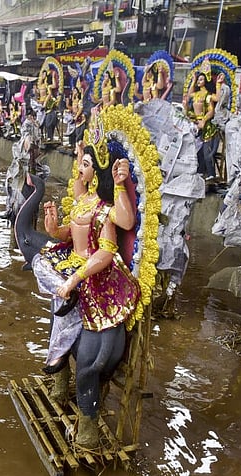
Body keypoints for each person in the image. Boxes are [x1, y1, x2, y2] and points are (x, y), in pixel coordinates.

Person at [32, 130, 138, 448]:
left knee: (91, 360)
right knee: (41, 265)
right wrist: (54, 228)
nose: (80, 167)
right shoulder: (82, 202)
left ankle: (88, 423)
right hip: (71, 269)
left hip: (95, 277)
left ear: (99, 170)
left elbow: (108, 249)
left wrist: (120, 183)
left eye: (86, 163)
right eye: (81, 162)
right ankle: (60, 373)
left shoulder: (104, 209)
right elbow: (70, 234)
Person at [183, 72, 219, 181]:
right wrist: (193, 80)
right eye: (198, 80)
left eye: (201, 79)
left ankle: (210, 173)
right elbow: (189, 95)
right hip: (195, 125)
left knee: (206, 153)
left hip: (206, 126)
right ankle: (196, 171)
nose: (199, 82)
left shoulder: (208, 96)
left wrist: (218, 84)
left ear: (206, 81)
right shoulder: (196, 94)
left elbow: (211, 111)